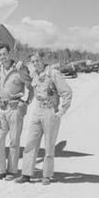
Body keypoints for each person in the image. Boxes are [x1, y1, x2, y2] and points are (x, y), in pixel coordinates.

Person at [16, 52, 72, 185]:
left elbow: (67, 92)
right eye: (33, 61)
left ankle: (46, 175)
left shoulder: (53, 73)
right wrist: (21, 68)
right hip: (37, 110)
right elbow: (27, 79)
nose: (35, 63)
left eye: (37, 61)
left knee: (49, 145)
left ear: (43, 60)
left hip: (50, 111)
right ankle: (26, 174)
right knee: (30, 142)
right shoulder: (34, 74)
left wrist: (61, 111)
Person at [0, 43, 34, 181]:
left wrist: (25, 102)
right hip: (2, 108)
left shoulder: (19, 68)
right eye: (0, 55)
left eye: (4, 54)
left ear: (9, 53)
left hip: (15, 108)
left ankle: (12, 170)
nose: (2, 57)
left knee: (14, 141)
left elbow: (30, 86)